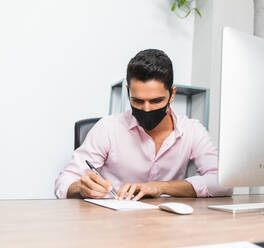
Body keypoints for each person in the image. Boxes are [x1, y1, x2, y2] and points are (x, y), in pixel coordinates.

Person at [55, 49, 232, 200]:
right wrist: (80, 188)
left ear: (172, 95)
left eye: (156, 101)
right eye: (138, 101)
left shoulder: (192, 130)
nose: (146, 109)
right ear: (128, 93)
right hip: (110, 224)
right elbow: (64, 181)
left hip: (164, 225)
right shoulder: (108, 128)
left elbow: (223, 183)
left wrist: (160, 187)